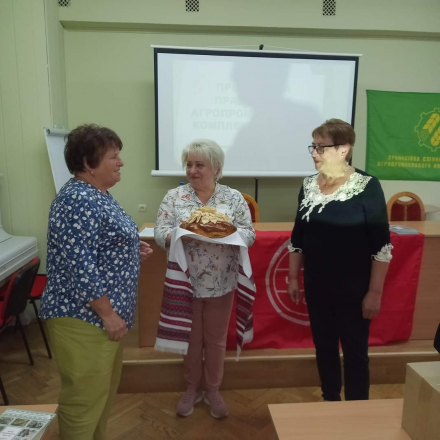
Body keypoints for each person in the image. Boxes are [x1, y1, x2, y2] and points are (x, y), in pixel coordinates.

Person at [40, 124, 152, 440]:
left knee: (99, 398)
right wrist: (107, 314)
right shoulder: (78, 199)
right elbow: (80, 265)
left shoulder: (97, 194)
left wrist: (130, 249)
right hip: (84, 318)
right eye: (113, 156)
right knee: (83, 402)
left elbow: (96, 244)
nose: (121, 162)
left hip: (100, 319)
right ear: (89, 163)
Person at [288, 119, 393, 402]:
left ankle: (357, 410)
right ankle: (330, 400)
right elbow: (298, 236)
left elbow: (381, 246)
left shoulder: (367, 186)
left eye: (321, 147)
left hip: (354, 288)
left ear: (343, 149)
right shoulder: (308, 184)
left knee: (355, 352)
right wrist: (293, 277)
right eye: (313, 146)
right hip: (317, 284)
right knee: (324, 347)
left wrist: (374, 292)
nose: (314, 153)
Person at [154, 139, 255, 419]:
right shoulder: (174, 197)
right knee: (191, 339)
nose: (192, 170)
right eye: (189, 164)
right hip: (185, 281)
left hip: (222, 282)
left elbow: (249, 234)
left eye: (200, 165)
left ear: (216, 168)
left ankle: (213, 389)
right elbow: (160, 232)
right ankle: (192, 388)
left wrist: (224, 231)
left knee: (215, 340)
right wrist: (182, 233)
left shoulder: (233, 198)